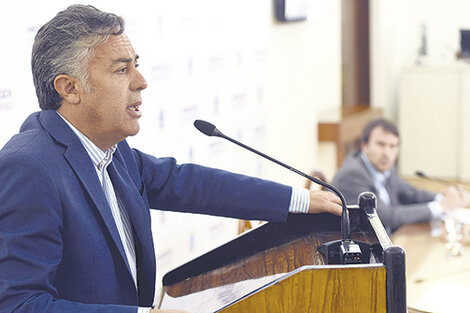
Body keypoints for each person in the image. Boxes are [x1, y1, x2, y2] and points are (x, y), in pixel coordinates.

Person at [0, 5, 342, 313]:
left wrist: (301, 200)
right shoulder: (30, 168)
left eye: (137, 66)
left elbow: (193, 185)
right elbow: (20, 305)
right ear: (69, 88)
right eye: (122, 71)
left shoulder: (111, 149)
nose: (142, 82)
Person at [331, 118, 469, 234]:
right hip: (358, 247)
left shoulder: (383, 166)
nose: (387, 153)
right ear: (365, 146)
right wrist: (441, 206)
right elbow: (387, 217)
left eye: (393, 146)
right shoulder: (353, 174)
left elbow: (411, 193)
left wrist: (446, 198)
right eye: (381, 144)